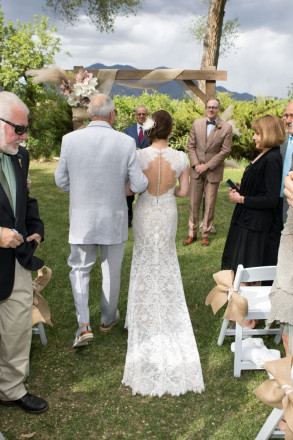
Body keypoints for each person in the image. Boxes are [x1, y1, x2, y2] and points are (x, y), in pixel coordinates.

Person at [55, 94, 148, 348]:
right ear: (112, 114)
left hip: (82, 218)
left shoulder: (69, 140)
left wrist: (81, 193)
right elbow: (139, 183)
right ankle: (107, 320)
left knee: (80, 269)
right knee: (111, 270)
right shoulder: (125, 141)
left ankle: (84, 325)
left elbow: (60, 180)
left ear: (88, 114)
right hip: (114, 217)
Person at [122, 110, 205, 397]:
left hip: (145, 212)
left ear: (149, 129)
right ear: (170, 130)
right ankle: (165, 306)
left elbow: (131, 190)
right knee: (165, 260)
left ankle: (139, 315)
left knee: (144, 259)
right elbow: (183, 193)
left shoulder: (138, 155)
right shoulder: (181, 158)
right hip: (167, 213)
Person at [0, 91, 48, 413]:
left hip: (16, 261)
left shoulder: (21, 155)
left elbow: (25, 200)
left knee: (17, 326)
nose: (24, 135)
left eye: (25, 129)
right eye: (18, 128)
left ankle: (11, 388)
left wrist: (36, 228)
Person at [221, 114, 285, 274]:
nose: (253, 137)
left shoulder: (272, 158)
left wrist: (241, 198)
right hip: (247, 221)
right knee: (238, 271)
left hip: (255, 227)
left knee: (247, 274)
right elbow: (261, 187)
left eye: (257, 133)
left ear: (268, 134)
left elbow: (271, 199)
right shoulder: (265, 154)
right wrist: (245, 188)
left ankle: (245, 300)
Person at [183, 97, 232, 247]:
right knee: (194, 203)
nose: (211, 109)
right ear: (206, 108)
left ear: (219, 109)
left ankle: (206, 233)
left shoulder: (226, 127)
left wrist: (208, 165)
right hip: (196, 170)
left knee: (210, 203)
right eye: (209, 107)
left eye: (214, 107)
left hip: (213, 170)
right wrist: (197, 164)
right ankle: (192, 233)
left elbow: (225, 151)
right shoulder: (197, 123)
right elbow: (190, 146)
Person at [125, 105, 148, 227]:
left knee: (147, 194)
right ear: (135, 115)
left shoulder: (152, 130)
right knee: (128, 195)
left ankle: (145, 218)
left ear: (147, 115)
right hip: (131, 165)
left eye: (143, 114)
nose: (141, 116)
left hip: (148, 165)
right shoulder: (128, 130)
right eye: (139, 114)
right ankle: (128, 218)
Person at [280, 101, 293, 223]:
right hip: (275, 202)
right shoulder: (279, 140)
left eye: (292, 116)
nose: (288, 120)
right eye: (286, 115)